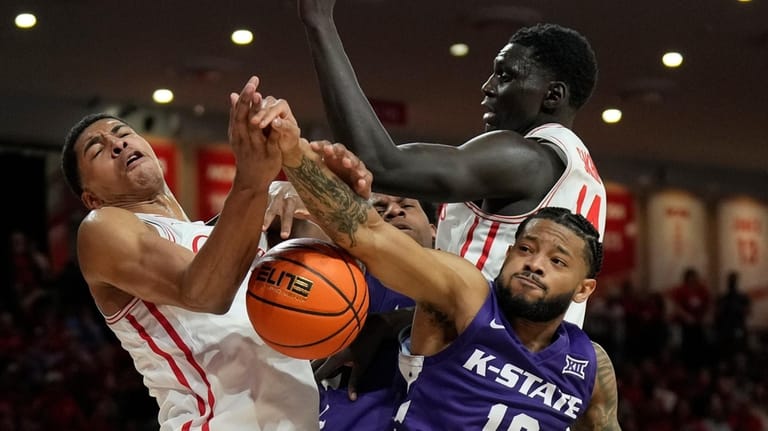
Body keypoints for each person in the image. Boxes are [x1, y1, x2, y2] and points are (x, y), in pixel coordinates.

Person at [259, 108, 620, 429]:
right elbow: (368, 233)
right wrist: (294, 154)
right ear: (508, 254)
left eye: (556, 261)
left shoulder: (590, 364)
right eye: (526, 249)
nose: (535, 264)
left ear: (584, 289)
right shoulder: (465, 296)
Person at [297, 0, 606, 328]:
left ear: (553, 96)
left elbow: (381, 162)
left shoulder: (527, 158)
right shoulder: (580, 169)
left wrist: (319, 22)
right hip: (523, 364)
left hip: (479, 363)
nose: (488, 87)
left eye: (505, 75)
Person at [59, 76, 320, 431]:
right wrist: (253, 181)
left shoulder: (230, 229)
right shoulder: (100, 228)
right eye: (97, 150)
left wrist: (299, 162)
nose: (116, 144)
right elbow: (202, 292)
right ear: (92, 198)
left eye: (122, 133)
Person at [314, 193, 435, 430]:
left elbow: (467, 318)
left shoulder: (464, 290)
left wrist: (385, 324)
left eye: (406, 205)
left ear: (433, 230)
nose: (393, 211)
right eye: (379, 211)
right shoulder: (337, 280)